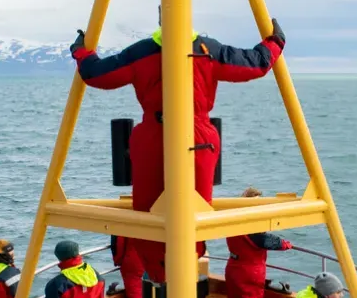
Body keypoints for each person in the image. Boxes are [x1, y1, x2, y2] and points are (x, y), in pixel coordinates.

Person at [70, 17, 286, 282]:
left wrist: (81, 51)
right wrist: (275, 42)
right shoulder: (209, 50)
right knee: (194, 211)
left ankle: (159, 274)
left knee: (148, 216)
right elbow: (256, 63)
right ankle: (184, 269)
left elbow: (97, 74)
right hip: (198, 138)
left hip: (152, 138)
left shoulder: (141, 52)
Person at [224, 187, 293, 298]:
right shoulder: (252, 226)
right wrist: (285, 244)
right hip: (250, 270)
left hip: (233, 266)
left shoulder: (232, 220)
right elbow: (265, 240)